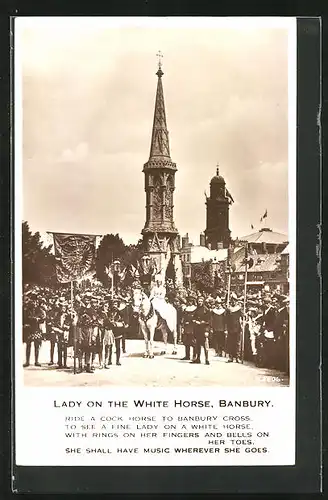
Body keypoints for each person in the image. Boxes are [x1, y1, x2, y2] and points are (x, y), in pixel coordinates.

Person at [23, 293, 46, 367]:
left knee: (37, 345)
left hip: (36, 329)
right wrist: (26, 323)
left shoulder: (39, 309)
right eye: (33, 301)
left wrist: (38, 319)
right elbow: (24, 318)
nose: (34, 303)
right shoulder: (27, 309)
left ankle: (36, 361)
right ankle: (27, 361)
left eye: (35, 301)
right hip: (29, 329)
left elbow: (43, 318)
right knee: (28, 345)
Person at [191, 296, 211, 365]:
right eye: (199, 301)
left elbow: (208, 321)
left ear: (203, 302)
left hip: (203, 329)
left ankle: (207, 359)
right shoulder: (196, 310)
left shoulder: (206, 310)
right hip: (197, 329)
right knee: (197, 345)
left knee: (205, 345)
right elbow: (193, 318)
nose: (200, 302)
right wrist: (195, 321)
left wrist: (207, 331)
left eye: (201, 301)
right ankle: (198, 358)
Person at [110, 298, 127, 366]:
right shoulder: (109, 311)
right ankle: (109, 360)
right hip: (110, 330)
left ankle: (117, 360)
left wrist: (118, 323)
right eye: (114, 304)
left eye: (116, 304)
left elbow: (123, 321)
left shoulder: (121, 313)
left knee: (118, 346)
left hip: (118, 330)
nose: (115, 305)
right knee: (109, 346)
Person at [225, 293, 242, 363]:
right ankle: (231, 357)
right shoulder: (228, 309)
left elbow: (242, 316)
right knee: (230, 343)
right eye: (232, 300)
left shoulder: (239, 309)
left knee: (237, 343)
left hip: (237, 328)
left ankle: (237, 357)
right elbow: (226, 319)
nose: (233, 302)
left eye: (235, 300)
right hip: (230, 328)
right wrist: (226, 329)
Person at [181, 296, 197, 361]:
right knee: (186, 342)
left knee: (193, 342)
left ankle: (194, 356)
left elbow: (195, 318)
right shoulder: (186, 309)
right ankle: (187, 356)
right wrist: (183, 325)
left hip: (192, 327)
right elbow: (183, 317)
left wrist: (191, 322)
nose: (190, 302)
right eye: (189, 301)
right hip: (186, 327)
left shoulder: (195, 309)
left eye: (191, 301)